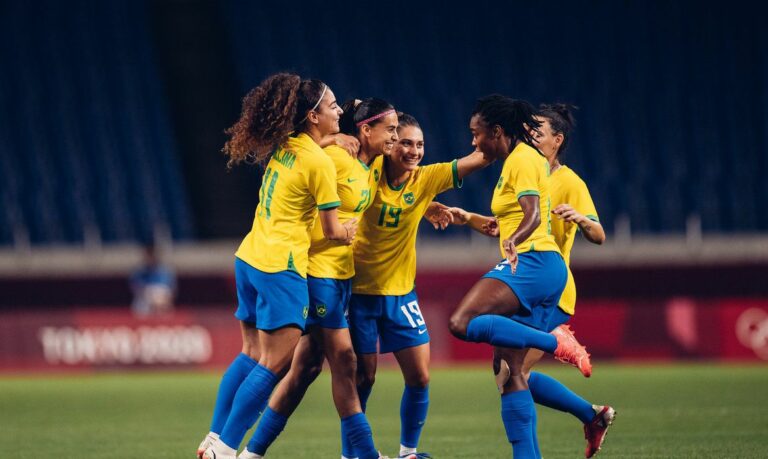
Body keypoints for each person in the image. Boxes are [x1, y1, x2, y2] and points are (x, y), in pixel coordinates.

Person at [198, 73, 367, 459]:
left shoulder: (286, 145)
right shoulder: (322, 167)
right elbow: (330, 230)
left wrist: (331, 138)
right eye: (333, 106)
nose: (340, 111)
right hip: (282, 265)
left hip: (250, 256)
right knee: (276, 363)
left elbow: (309, 150)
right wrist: (349, 231)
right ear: (313, 115)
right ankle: (225, 449)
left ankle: (213, 437)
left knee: (251, 353)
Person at [441, 103, 614, 458]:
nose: (532, 135)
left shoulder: (563, 179)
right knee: (509, 371)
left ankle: (558, 343)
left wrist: (580, 219)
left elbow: (596, 234)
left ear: (557, 140)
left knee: (485, 344)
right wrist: (469, 218)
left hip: (544, 276)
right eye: (530, 129)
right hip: (535, 267)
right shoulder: (527, 165)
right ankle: (588, 416)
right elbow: (505, 224)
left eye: (539, 131)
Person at [237, 98, 406, 459]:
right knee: (344, 360)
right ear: (366, 130)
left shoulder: (372, 164)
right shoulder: (332, 160)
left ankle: (251, 453)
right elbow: (303, 162)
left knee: (306, 368)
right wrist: (330, 141)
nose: (396, 136)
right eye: (390, 129)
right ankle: (366, 454)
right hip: (318, 274)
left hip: (342, 276)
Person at [347, 112, 490, 459]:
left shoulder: (426, 180)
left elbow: (480, 158)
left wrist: (500, 130)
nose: (414, 151)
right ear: (390, 143)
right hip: (358, 294)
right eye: (406, 142)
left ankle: (408, 452)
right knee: (363, 380)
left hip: (401, 295)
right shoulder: (366, 171)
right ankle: (350, 454)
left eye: (420, 144)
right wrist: (336, 139)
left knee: (420, 377)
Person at [129, 242, 176, 316]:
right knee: (139, 306)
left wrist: (160, 301)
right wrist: (150, 297)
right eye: (149, 255)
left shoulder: (165, 271)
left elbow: (171, 291)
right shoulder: (139, 272)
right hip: (145, 301)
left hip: (162, 302)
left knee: (165, 308)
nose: (151, 258)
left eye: (153, 255)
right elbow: (136, 289)